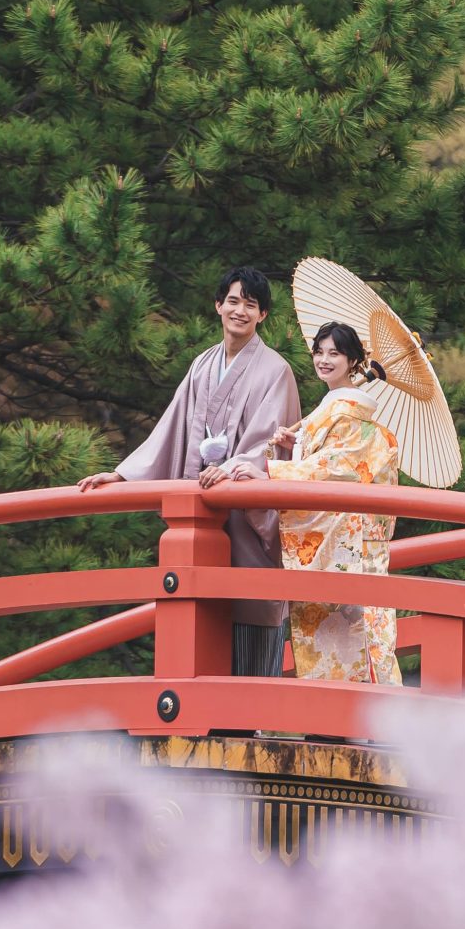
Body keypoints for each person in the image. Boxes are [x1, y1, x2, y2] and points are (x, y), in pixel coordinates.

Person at [78, 266, 301, 678]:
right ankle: (211, 721)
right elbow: (172, 427)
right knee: (202, 618)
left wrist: (235, 468)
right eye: (232, 301)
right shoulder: (203, 364)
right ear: (218, 306)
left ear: (263, 315)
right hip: (203, 510)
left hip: (243, 515)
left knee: (252, 608)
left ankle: (248, 723)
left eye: (250, 305)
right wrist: (123, 475)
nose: (240, 311)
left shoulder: (275, 370)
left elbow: (269, 443)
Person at [207, 322, 402, 685]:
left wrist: (270, 467)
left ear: (354, 361)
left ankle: (355, 721)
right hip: (335, 543)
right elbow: (317, 460)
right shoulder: (333, 410)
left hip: (345, 547)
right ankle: (340, 719)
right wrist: (294, 443)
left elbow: (332, 469)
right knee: (334, 633)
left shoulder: (350, 418)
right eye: (319, 352)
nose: (324, 360)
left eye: (335, 354)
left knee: (354, 632)